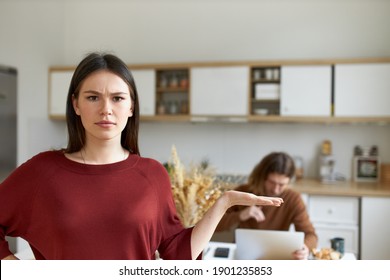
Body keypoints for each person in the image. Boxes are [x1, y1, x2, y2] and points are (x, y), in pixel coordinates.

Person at [0, 52, 283, 260]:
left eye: (117, 98)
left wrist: (224, 203)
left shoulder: (152, 174)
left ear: (132, 107)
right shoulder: (43, 172)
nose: (106, 109)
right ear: (75, 104)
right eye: (92, 97)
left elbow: (176, 255)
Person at [215, 152, 318, 260]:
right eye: (272, 182)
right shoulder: (243, 192)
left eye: (281, 184)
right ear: (262, 176)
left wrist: (305, 248)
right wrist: (240, 215)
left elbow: (311, 235)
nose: (275, 189)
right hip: (244, 255)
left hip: (277, 255)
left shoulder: (293, 199)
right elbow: (215, 226)